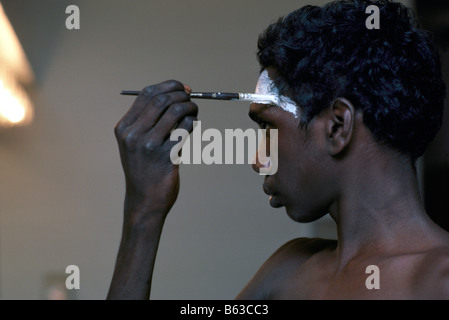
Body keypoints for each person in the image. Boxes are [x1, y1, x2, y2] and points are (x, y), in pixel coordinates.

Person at [107, 0, 449, 299]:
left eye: (268, 127)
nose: (258, 160)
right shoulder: (288, 272)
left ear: (337, 126)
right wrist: (144, 212)